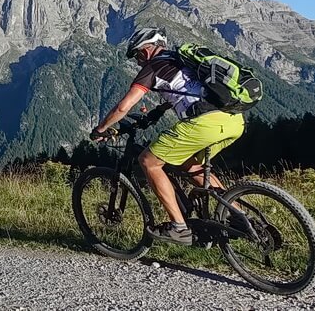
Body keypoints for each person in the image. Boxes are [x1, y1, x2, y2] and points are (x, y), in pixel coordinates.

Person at [91, 27, 245, 245]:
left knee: (148, 161)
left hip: (205, 123)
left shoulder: (152, 66)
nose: (137, 62)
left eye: (136, 55)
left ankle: (179, 228)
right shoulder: (179, 60)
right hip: (233, 120)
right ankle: (238, 218)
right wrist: (155, 113)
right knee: (191, 165)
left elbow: (123, 107)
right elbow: (182, 91)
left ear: (145, 50)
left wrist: (101, 128)